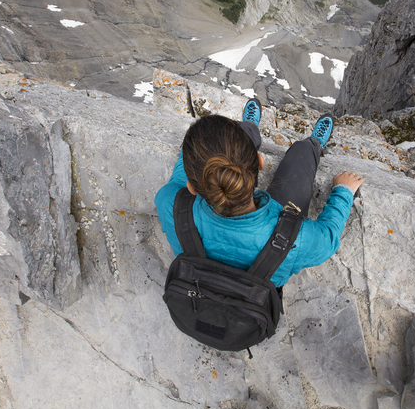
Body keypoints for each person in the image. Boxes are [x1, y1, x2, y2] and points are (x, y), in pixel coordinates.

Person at [154, 99, 365, 288]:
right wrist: (343, 192)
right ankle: (311, 144)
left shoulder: (169, 204)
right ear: (260, 163)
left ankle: (249, 128)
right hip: (263, 267)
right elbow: (328, 239)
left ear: (192, 187)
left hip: (199, 293)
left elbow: (183, 175)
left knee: (224, 146)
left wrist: (199, 150)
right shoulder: (296, 239)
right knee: (300, 155)